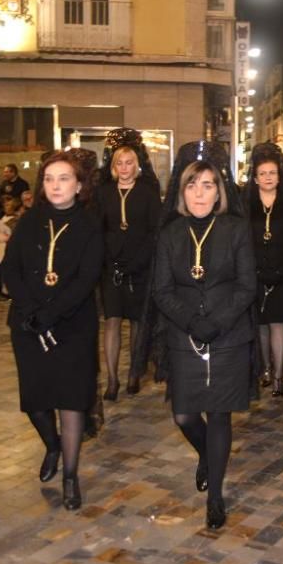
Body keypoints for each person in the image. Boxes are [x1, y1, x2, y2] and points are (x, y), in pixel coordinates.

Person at [151, 155, 255, 530]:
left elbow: (247, 286)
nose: (199, 192)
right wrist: (193, 322)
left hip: (228, 336)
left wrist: (218, 322)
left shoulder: (236, 229)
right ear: (182, 192)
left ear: (219, 193)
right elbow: (161, 290)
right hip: (185, 335)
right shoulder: (170, 234)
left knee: (220, 414)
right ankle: (207, 456)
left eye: (208, 185)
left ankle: (215, 497)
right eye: (192, 185)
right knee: (183, 414)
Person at [2, 150, 103, 511]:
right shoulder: (29, 221)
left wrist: (54, 313)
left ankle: (71, 476)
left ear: (79, 184)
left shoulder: (91, 225)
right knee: (35, 399)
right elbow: (10, 269)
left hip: (73, 325)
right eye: (49, 179)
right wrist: (32, 311)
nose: (56, 185)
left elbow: (86, 278)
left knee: (72, 400)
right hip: (28, 323)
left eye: (64, 178)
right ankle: (53, 445)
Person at [95, 129, 162, 400]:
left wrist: (138, 261)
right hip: (111, 267)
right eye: (119, 163)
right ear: (113, 166)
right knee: (111, 321)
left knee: (137, 322)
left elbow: (153, 232)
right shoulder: (103, 193)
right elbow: (97, 230)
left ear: (137, 165)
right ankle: (112, 379)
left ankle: (134, 373)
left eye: (129, 162)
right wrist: (107, 258)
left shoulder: (147, 192)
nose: (124, 168)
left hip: (140, 266)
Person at [244, 143, 283, 397]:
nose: (268, 177)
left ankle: (279, 375)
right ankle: (265, 369)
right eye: (263, 174)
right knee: (261, 325)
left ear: (279, 177)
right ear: (256, 179)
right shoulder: (246, 204)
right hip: (255, 275)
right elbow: (240, 241)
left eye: (272, 173)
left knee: (279, 324)